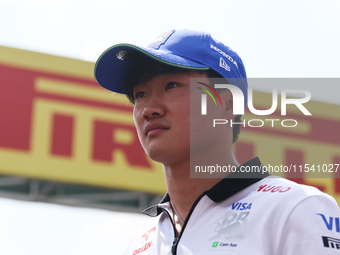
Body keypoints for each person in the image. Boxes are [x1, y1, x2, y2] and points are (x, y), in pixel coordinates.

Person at [94, 29, 340, 255]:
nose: (149, 109)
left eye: (171, 85)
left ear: (227, 103)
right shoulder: (138, 243)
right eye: (140, 95)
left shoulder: (294, 207)